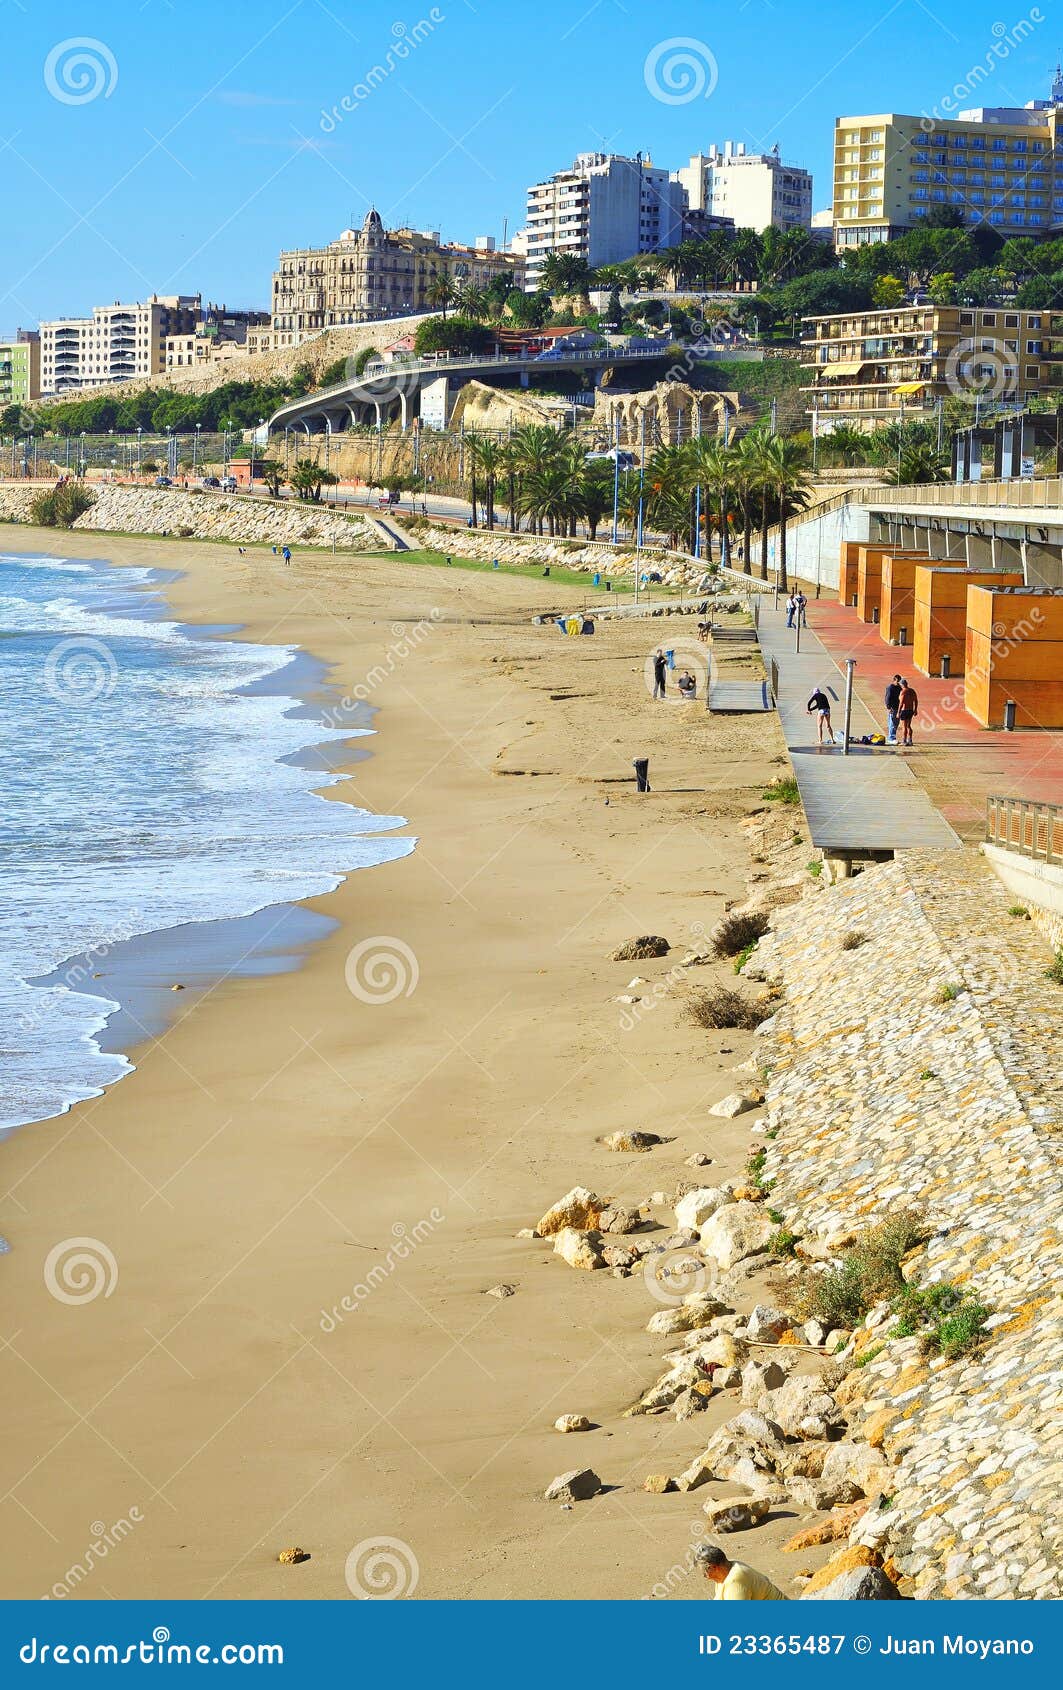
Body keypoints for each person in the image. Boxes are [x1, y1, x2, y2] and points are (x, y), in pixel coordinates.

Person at [695, 1544, 786, 1600]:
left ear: (714, 1567)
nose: (705, 1577)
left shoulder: (735, 1581)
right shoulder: (725, 1571)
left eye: (704, 1573)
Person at [897, 677, 919, 745]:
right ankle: (910, 740)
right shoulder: (912, 691)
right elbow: (916, 700)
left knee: (904, 726)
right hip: (910, 710)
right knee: (909, 726)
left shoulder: (903, 692)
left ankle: (904, 741)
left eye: (900, 684)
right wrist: (915, 709)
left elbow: (901, 703)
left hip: (904, 710)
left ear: (902, 684)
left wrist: (898, 712)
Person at [884, 673, 902, 744]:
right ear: (894, 680)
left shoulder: (899, 688)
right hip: (893, 708)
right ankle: (891, 738)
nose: (898, 683)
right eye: (897, 681)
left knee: (895, 723)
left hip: (898, 708)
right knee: (893, 723)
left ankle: (891, 737)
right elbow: (887, 698)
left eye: (899, 681)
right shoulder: (890, 687)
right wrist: (888, 707)